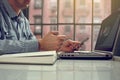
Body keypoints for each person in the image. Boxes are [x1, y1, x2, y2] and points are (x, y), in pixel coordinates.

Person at [0, 0, 80, 54]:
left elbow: (34, 46)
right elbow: (37, 45)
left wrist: (59, 47)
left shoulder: (24, 21)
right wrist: (40, 44)